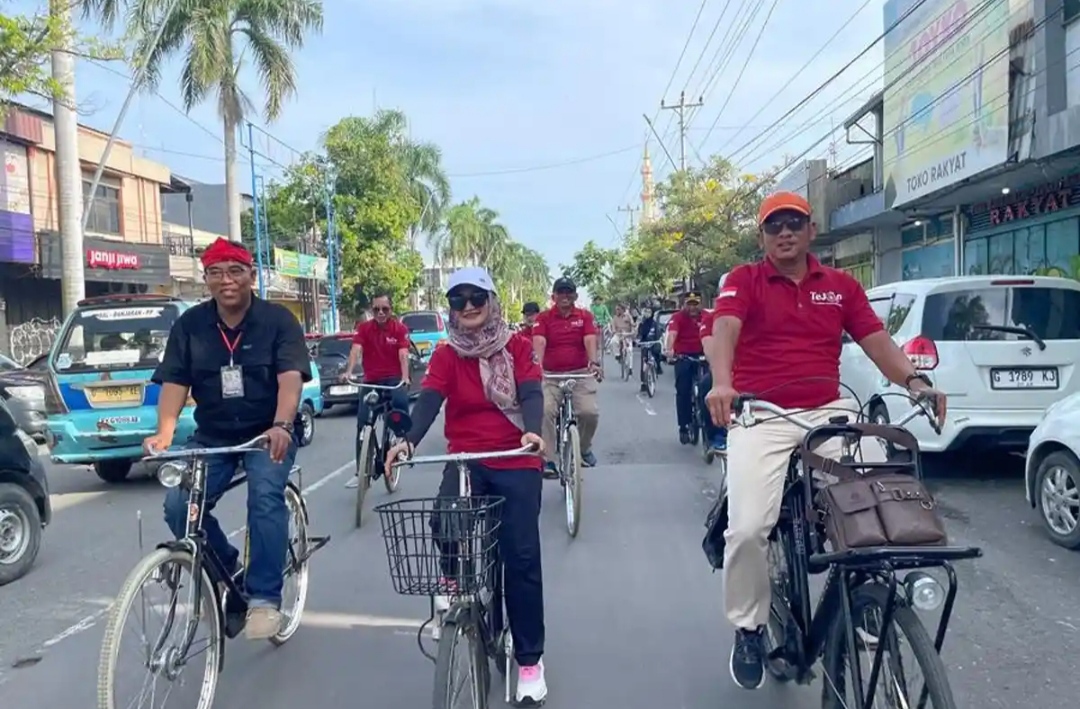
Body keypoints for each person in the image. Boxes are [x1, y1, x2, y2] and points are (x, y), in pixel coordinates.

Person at [704, 191, 947, 690]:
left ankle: (865, 595)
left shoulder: (839, 286)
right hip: (762, 413)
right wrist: (722, 381)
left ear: (811, 230)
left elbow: (876, 340)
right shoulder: (743, 281)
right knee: (748, 527)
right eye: (775, 227)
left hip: (828, 412)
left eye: (794, 223)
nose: (785, 232)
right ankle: (748, 626)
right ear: (762, 238)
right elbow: (725, 328)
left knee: (877, 494)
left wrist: (915, 383)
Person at [384, 267, 549, 704]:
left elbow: (532, 392)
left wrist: (532, 432)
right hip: (467, 460)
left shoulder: (516, 347)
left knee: (522, 558)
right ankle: (456, 585)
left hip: (515, 458)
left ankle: (530, 661)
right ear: (451, 309)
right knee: (443, 522)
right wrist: (408, 441)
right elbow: (430, 400)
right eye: (459, 300)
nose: (469, 306)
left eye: (477, 297)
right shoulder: (445, 354)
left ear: (492, 301)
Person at [146, 238, 311, 640]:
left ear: (252, 276)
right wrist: (165, 431)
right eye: (216, 273)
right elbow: (175, 381)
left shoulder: (278, 322)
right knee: (179, 506)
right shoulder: (190, 326)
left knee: (265, 497)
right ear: (206, 280)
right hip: (213, 433)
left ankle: (264, 599)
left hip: (265, 433)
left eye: (236, 271)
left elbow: (289, 379)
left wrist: (281, 425)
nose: (227, 281)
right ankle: (230, 567)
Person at [342, 293, 412, 489]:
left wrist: (405, 377)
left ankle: (400, 443)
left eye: (385, 309)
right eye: (376, 309)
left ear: (391, 310)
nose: (380, 313)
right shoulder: (364, 329)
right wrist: (349, 371)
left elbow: (403, 354)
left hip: (393, 379)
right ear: (372, 310)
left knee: (400, 406)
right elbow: (356, 350)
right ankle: (360, 471)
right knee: (363, 422)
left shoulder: (399, 329)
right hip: (371, 380)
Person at [532, 276, 601, 475]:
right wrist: (536, 368)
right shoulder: (543, 318)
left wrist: (593, 363)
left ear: (575, 295)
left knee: (590, 413)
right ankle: (548, 460)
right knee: (544, 411)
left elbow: (589, 340)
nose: (564, 296)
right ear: (553, 296)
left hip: (580, 374)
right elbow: (540, 343)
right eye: (560, 292)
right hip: (551, 376)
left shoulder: (585, 316)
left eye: (568, 292)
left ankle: (584, 448)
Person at [663, 291, 705, 444]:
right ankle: (683, 427)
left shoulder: (707, 316)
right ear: (684, 305)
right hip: (684, 356)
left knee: (710, 387)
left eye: (695, 304)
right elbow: (672, 334)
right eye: (690, 304)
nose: (693, 307)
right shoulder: (678, 318)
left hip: (704, 355)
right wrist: (670, 350)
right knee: (683, 391)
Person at [697, 307, 727, 451]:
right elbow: (708, 347)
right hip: (725, 366)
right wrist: (719, 372)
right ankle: (714, 436)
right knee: (707, 386)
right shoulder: (711, 318)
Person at [636, 306, 664, 392]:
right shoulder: (642, 324)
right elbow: (639, 335)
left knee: (657, 354)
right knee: (644, 363)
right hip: (645, 345)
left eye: (649, 312)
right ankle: (643, 383)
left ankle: (658, 367)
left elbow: (658, 334)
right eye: (646, 311)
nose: (647, 313)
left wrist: (658, 341)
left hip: (654, 344)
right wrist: (637, 341)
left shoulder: (655, 324)